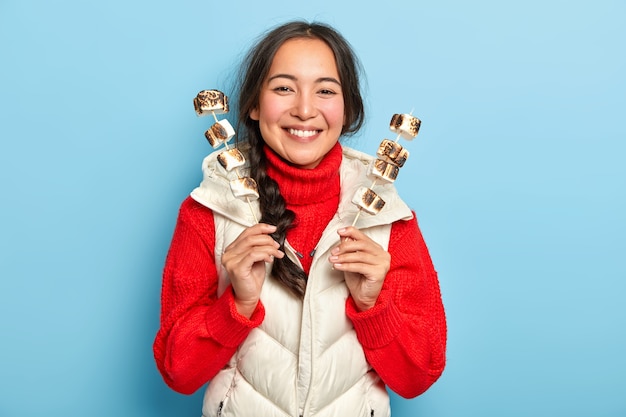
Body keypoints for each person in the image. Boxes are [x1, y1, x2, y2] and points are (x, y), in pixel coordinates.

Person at [153, 20, 446, 417]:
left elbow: (419, 377)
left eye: (325, 90)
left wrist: (372, 305)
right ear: (254, 105)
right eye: (283, 88)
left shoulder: (389, 217)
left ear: (348, 109)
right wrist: (237, 304)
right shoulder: (209, 209)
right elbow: (177, 373)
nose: (305, 110)